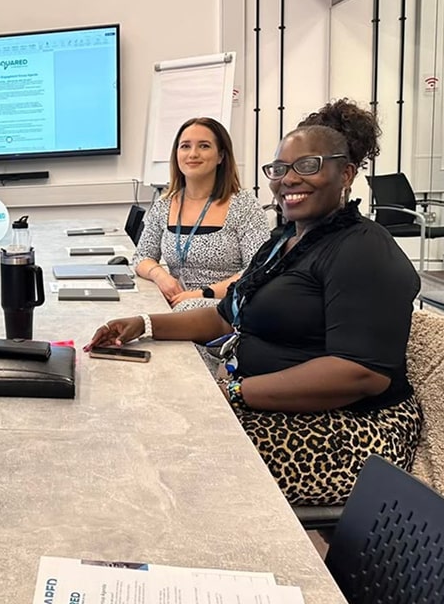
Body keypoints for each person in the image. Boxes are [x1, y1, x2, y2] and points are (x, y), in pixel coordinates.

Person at [88, 100, 423, 506]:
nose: (289, 180)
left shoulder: (363, 249)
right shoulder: (284, 241)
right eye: (279, 170)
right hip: (276, 405)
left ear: (346, 173)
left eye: (308, 166)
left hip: (351, 434)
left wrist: (233, 391)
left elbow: (359, 374)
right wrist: (143, 323)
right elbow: (226, 317)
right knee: (136, 420)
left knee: (162, 465)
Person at [133, 117, 269, 309]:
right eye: (185, 146)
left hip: (225, 305)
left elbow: (258, 269)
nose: (193, 154)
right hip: (176, 302)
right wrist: (160, 276)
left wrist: (203, 293)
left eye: (204, 146)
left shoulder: (244, 205)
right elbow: (141, 257)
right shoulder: (164, 204)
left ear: (221, 156)